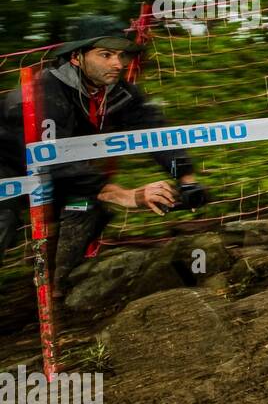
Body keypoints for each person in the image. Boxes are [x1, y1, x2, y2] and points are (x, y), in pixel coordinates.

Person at [0, 16, 207, 292]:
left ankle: (61, 289)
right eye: (106, 55)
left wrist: (186, 178)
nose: (118, 64)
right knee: (4, 222)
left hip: (60, 177)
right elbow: (51, 157)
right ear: (76, 57)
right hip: (9, 171)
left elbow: (154, 131)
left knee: (87, 208)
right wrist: (124, 195)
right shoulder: (43, 93)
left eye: (122, 55)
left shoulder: (115, 92)